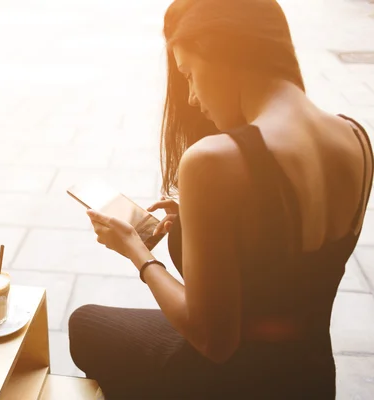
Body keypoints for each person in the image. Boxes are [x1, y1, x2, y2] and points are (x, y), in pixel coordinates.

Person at [68, 0, 373, 398]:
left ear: (222, 53)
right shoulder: (356, 137)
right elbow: (292, 258)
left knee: (84, 323)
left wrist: (137, 253)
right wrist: (200, 216)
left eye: (190, 74)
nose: (192, 97)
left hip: (232, 382)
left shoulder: (213, 161)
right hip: (312, 376)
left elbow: (214, 340)